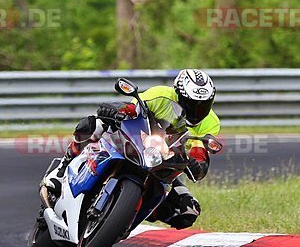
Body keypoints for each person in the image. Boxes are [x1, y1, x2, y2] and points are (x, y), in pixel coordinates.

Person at [42, 69, 218, 229]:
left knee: (188, 210)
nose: (196, 111)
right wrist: (117, 110)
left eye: (203, 105)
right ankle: (64, 166)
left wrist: (197, 164)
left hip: (167, 162)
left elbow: (200, 151)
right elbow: (133, 109)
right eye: (191, 103)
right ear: (178, 94)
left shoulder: (211, 122)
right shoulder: (160, 95)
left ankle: (129, 214)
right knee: (94, 124)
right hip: (138, 141)